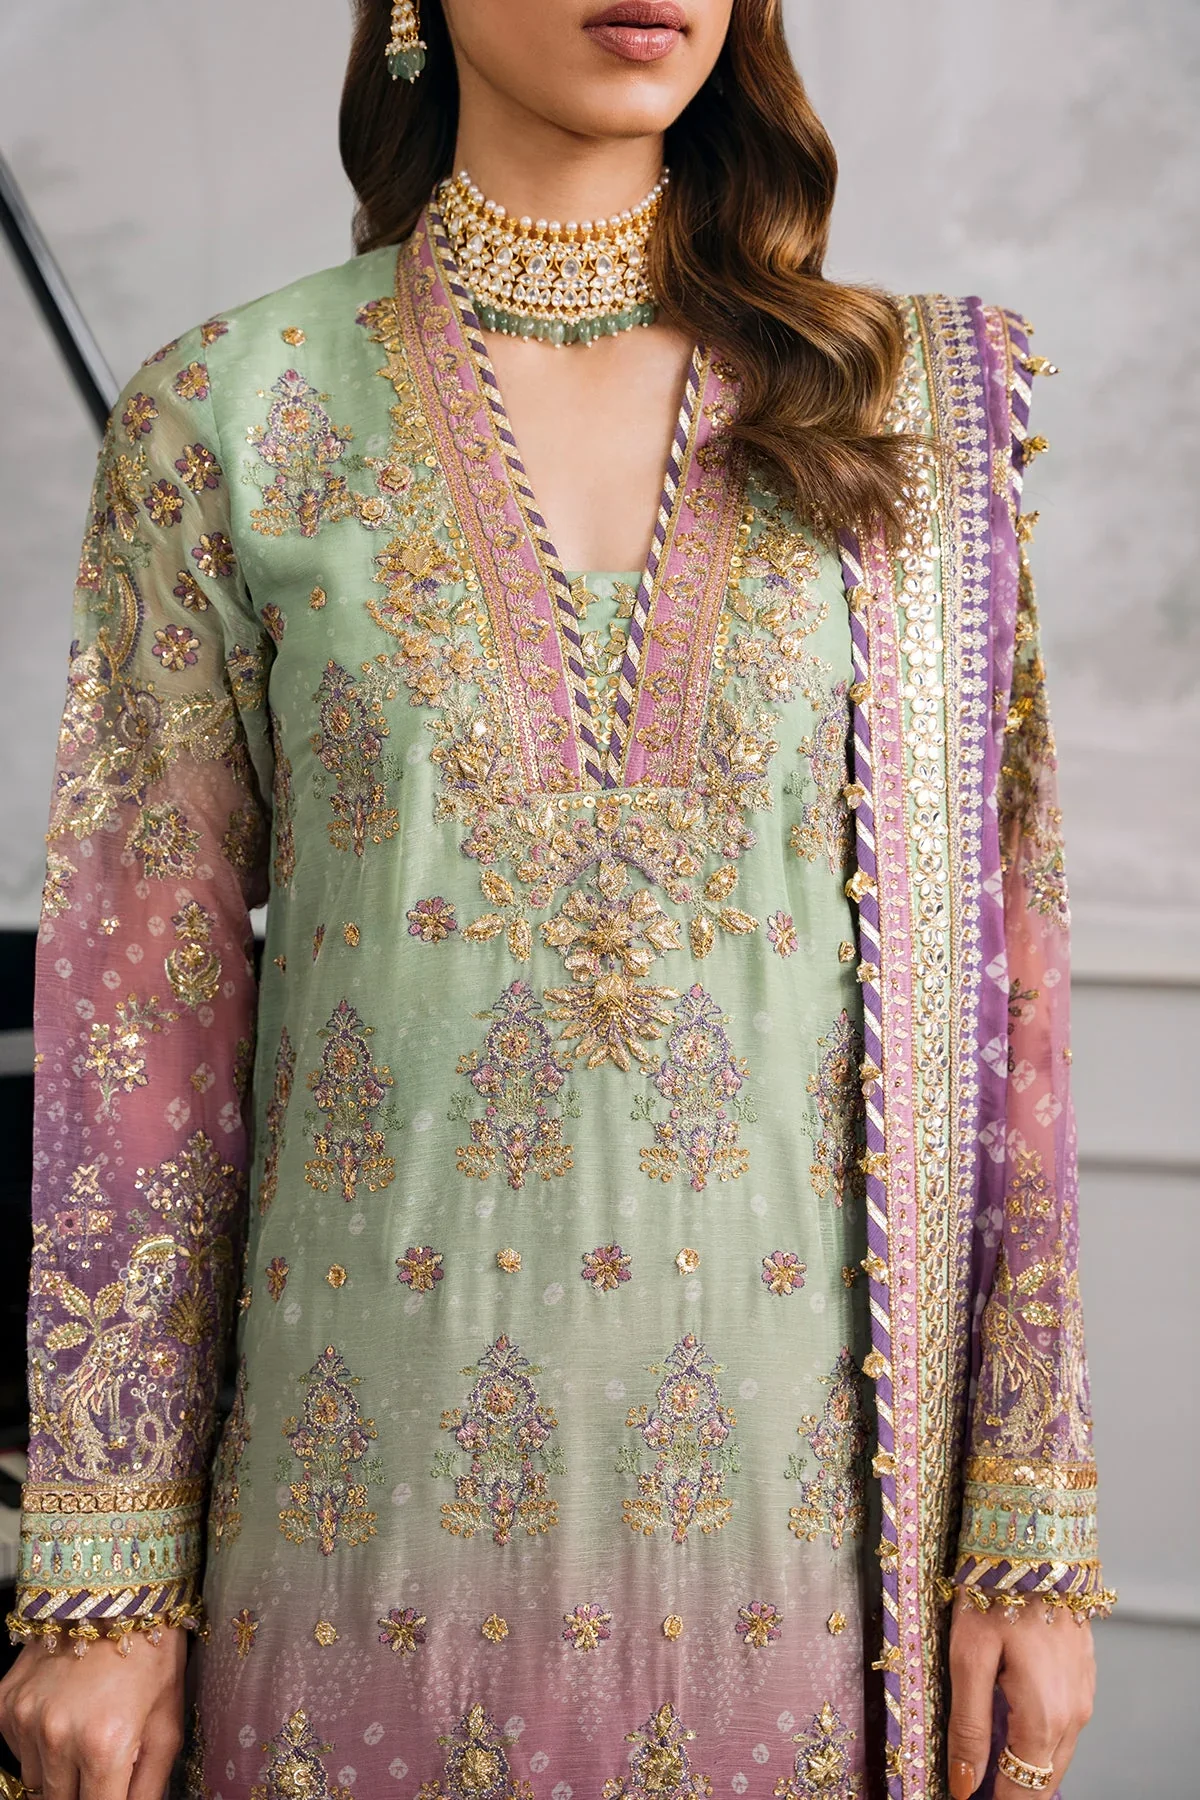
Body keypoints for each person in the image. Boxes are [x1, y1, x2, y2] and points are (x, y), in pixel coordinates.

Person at [0, 2, 1113, 1797]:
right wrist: (104, 1591)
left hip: (818, 1590)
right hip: (350, 1569)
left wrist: (1028, 1538)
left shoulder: (895, 412)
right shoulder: (227, 414)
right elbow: (147, 1038)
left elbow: (1017, 1000)